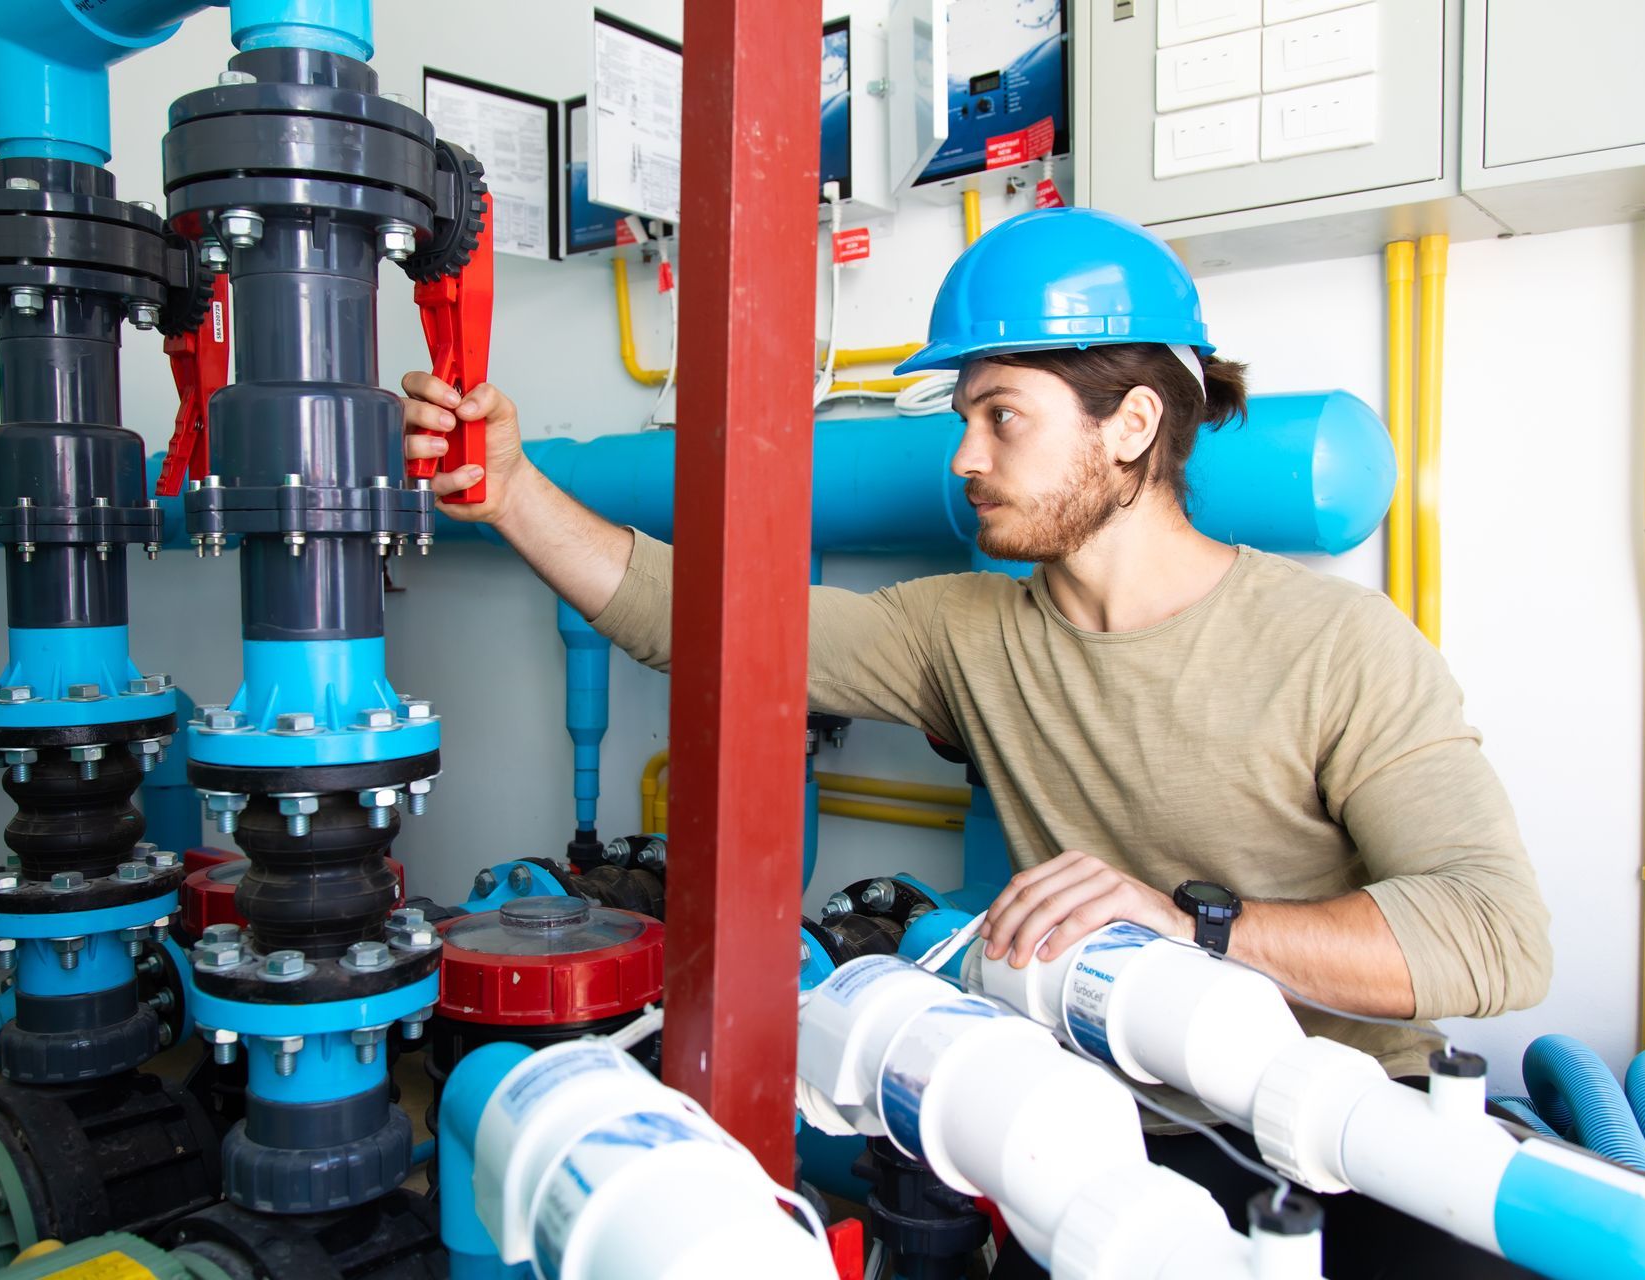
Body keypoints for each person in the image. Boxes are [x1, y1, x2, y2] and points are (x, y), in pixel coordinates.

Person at [397, 208, 1550, 1277]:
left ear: (1133, 425)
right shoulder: (969, 631)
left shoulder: (1335, 644)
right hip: (1097, 1141)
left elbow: (1494, 938)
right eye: (963, 419)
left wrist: (1193, 922)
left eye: (1003, 416)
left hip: (1352, 1135)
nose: (964, 457)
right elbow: (703, 623)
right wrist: (511, 494)